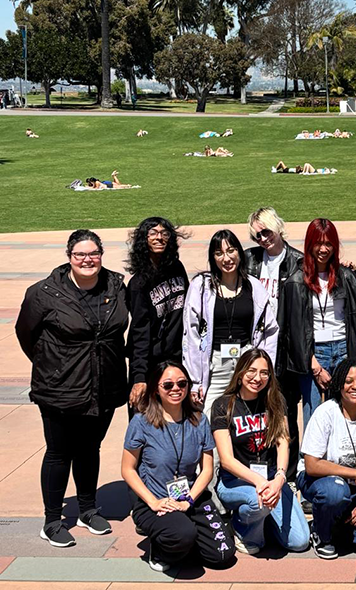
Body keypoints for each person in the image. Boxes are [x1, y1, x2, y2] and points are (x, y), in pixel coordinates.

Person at [16, 229, 129, 547]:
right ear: (69, 257)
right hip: (59, 388)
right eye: (80, 254)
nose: (87, 259)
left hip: (104, 385)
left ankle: (88, 509)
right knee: (58, 452)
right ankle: (52, 520)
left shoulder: (117, 287)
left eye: (93, 253)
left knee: (89, 447)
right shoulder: (44, 292)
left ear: (101, 254)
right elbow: (26, 334)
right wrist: (54, 366)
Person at [122, 361, 235, 571]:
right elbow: (127, 469)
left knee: (223, 555)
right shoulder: (141, 422)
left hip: (190, 496)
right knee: (181, 535)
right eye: (168, 385)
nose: (176, 389)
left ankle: (184, 541)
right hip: (155, 501)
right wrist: (153, 502)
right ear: (156, 388)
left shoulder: (199, 420)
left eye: (182, 384)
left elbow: (207, 470)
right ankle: (161, 546)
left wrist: (189, 500)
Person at [210, 349, 310, 554]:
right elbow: (227, 460)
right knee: (260, 503)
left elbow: (283, 442)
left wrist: (280, 478)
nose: (258, 378)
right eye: (252, 371)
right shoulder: (223, 405)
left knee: (299, 542)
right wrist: (260, 483)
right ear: (240, 372)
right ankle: (242, 528)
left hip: (272, 478)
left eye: (264, 373)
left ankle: (262, 521)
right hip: (235, 481)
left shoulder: (275, 400)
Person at [297, 358, 356, 559]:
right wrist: (354, 473)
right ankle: (322, 534)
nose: (355, 386)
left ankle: (338, 523)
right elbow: (312, 465)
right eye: (349, 381)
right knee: (335, 491)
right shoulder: (325, 412)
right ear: (339, 383)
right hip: (321, 481)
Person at [278, 218, 356, 429]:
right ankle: (309, 460)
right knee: (314, 412)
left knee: (347, 409)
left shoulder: (344, 276)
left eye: (329, 244)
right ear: (309, 244)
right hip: (314, 354)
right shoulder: (295, 281)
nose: (323, 249)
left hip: (344, 348)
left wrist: (353, 275)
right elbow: (293, 330)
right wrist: (314, 365)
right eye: (318, 243)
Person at [182, 229, 278, 416]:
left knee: (246, 420)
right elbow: (190, 334)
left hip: (246, 362)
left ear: (240, 253)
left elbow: (270, 330)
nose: (226, 258)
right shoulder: (201, 286)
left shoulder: (254, 286)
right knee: (211, 420)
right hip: (214, 364)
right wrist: (195, 380)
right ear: (213, 258)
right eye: (219, 253)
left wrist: (264, 366)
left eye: (231, 250)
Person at [244, 207, 303, 479]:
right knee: (254, 410)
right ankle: (256, 467)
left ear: (278, 227)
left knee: (285, 411)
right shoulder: (250, 260)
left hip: (285, 349)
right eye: (257, 236)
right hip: (255, 349)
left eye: (266, 232)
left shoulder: (298, 263)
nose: (263, 239)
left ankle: (288, 474)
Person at [126, 217, 189, 411]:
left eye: (164, 233)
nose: (159, 238)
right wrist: (139, 378)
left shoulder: (178, 269)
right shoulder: (138, 284)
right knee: (148, 422)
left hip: (179, 358)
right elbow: (139, 332)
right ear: (143, 240)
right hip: (151, 364)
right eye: (152, 233)